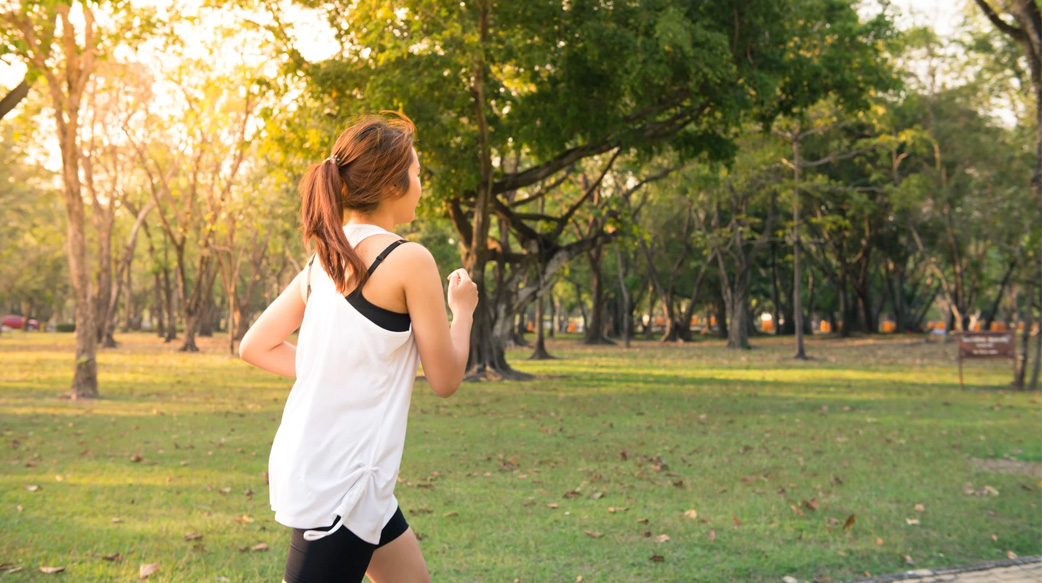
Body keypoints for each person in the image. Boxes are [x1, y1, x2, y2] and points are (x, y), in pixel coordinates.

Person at [239, 113, 478, 583]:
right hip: (340, 486)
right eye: (416, 173)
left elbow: (256, 346)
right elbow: (446, 379)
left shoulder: (323, 259)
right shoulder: (409, 259)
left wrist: (331, 370)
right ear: (391, 184)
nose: (420, 184)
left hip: (347, 477)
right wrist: (463, 310)